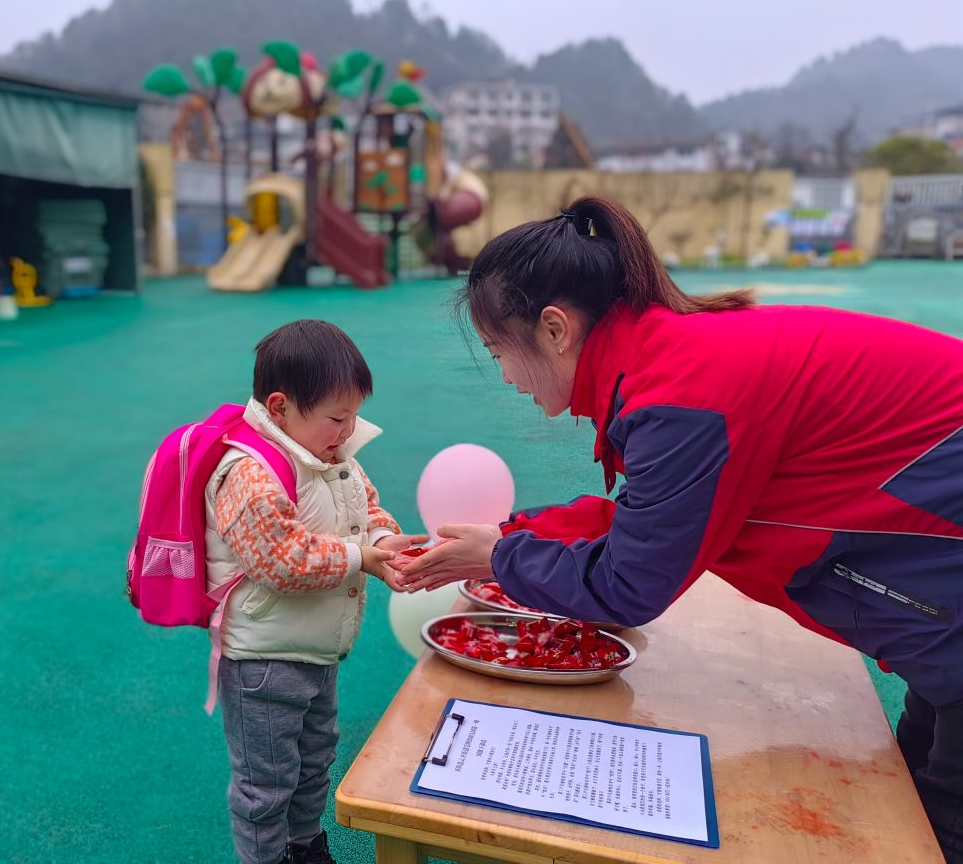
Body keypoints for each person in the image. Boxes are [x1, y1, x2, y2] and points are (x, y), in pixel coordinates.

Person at [394, 197, 963, 862]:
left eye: (499, 351)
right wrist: (507, 535)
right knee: (913, 797)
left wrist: (503, 556)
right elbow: (654, 520)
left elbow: (630, 582)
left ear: (554, 329)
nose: (505, 376)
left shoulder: (680, 395)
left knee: (938, 827)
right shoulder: (669, 361)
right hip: (935, 601)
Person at [209, 320, 422, 864]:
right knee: (266, 783)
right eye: (337, 417)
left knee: (313, 761)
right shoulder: (248, 473)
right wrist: (362, 559)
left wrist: (385, 540)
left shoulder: (332, 457)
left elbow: (365, 508)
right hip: (263, 662)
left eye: (352, 415)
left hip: (316, 651)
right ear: (280, 408)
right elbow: (279, 560)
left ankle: (304, 846)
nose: (348, 430)